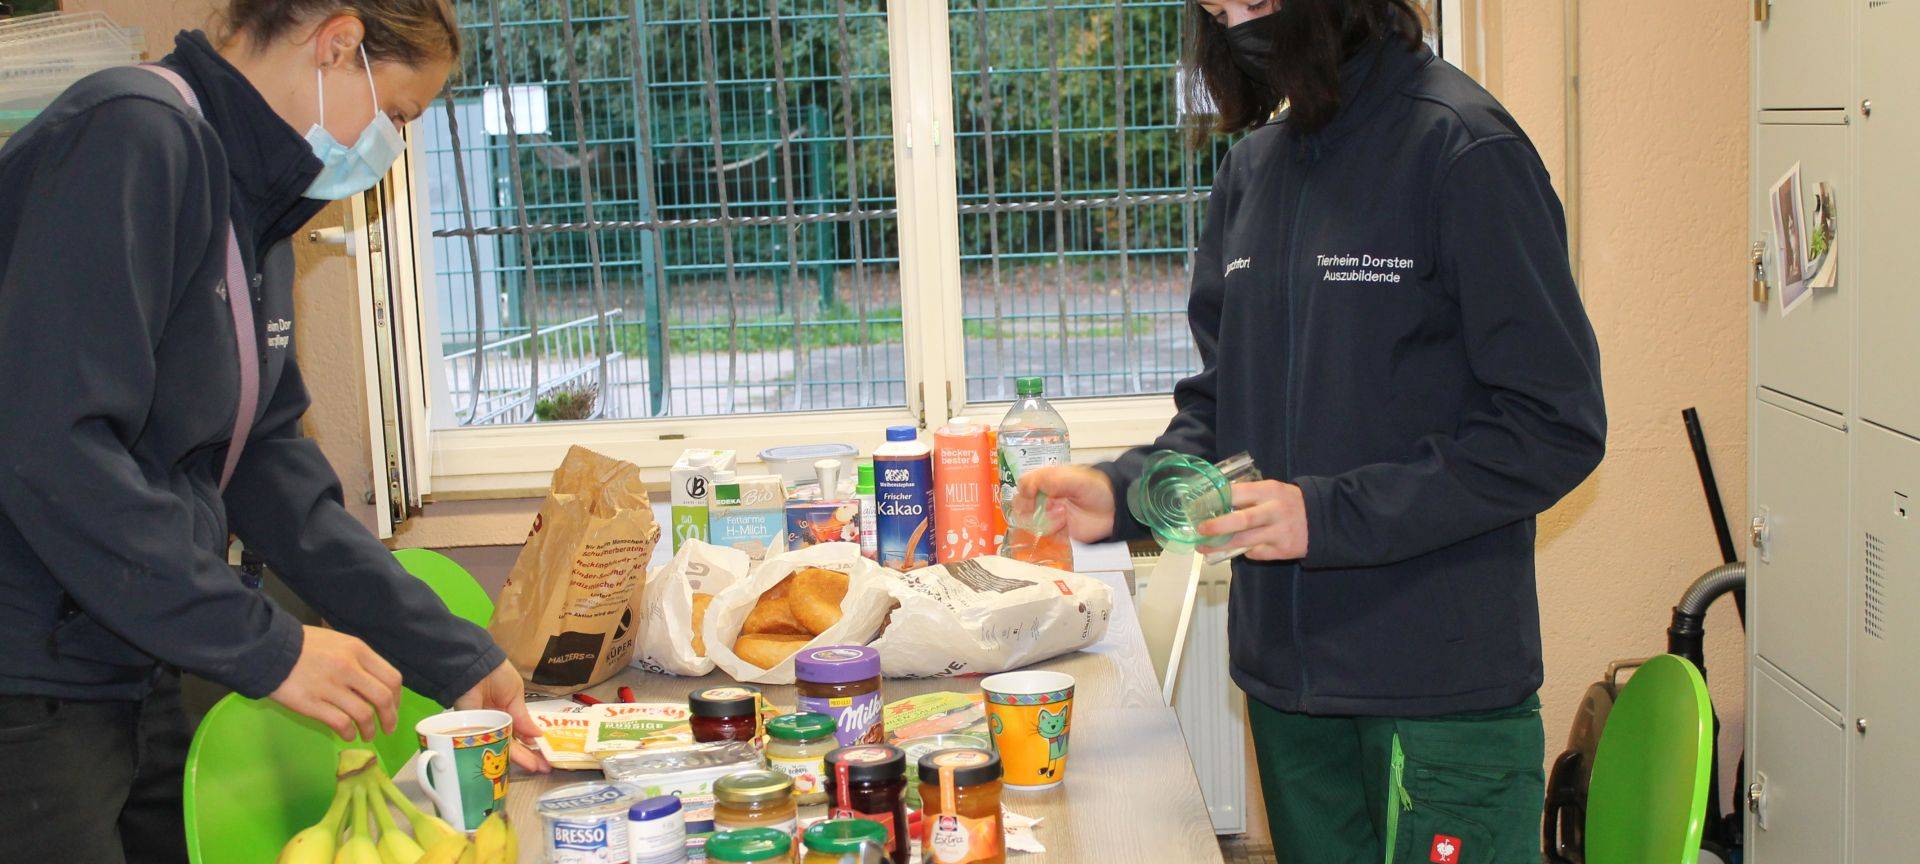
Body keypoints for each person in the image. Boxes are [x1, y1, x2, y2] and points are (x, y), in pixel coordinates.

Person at [1018, 0, 1605, 861]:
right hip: (1287, 689)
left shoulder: (1464, 147)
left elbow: (1554, 425)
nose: (1240, 28)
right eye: (1219, 11)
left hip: (1434, 691)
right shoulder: (1254, 172)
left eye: (1258, 5)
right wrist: (1125, 493)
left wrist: (1325, 516)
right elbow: (1225, 408)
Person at [0, 3, 547, 862]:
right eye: (398, 114)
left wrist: (453, 655)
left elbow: (268, 466)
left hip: (132, 646)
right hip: (30, 673)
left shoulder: (250, 207)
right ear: (337, 43)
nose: (391, 145)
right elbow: (50, 448)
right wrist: (270, 645)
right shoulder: (132, 139)